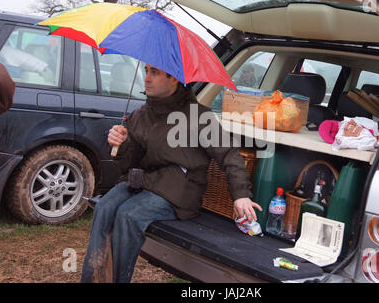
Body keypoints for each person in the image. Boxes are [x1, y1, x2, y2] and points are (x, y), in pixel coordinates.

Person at [81, 63, 262, 283]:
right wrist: (120, 144)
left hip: (179, 189)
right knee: (104, 207)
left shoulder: (197, 116)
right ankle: (93, 279)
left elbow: (230, 154)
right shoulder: (141, 114)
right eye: (146, 71)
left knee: (128, 215)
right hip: (143, 181)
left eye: (154, 72)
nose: (146, 78)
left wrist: (241, 194)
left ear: (174, 78)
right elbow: (127, 165)